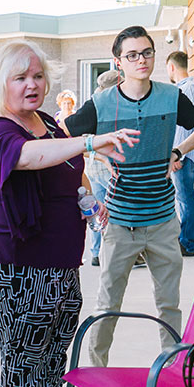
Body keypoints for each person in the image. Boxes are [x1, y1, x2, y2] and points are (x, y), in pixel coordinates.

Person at [0, 40, 139, 387]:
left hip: (62, 261)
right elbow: (29, 158)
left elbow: (70, 168)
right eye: (20, 77)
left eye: (38, 75)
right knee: (23, 354)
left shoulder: (45, 121)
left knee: (54, 348)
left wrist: (87, 197)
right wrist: (89, 140)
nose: (32, 84)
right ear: (0, 84)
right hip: (21, 263)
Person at [63, 25, 194, 387]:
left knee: (169, 305)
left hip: (163, 220)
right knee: (107, 302)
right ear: (118, 61)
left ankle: (175, 375)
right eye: (132, 55)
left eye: (146, 53)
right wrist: (100, 156)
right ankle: (97, 383)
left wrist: (177, 153)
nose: (141, 60)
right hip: (120, 222)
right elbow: (66, 136)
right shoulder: (102, 102)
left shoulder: (171, 96)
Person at [165, 51, 194, 256]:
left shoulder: (188, 89)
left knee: (185, 197)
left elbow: (184, 125)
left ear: (172, 67)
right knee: (183, 197)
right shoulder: (188, 88)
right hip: (185, 153)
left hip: (184, 154)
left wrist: (177, 155)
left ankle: (188, 243)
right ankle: (185, 240)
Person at [81, 69, 122, 267]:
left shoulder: (92, 105)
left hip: (94, 169)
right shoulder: (104, 108)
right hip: (105, 169)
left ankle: (97, 252)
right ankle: (111, 253)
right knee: (115, 209)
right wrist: (104, 159)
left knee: (97, 211)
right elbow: (80, 142)